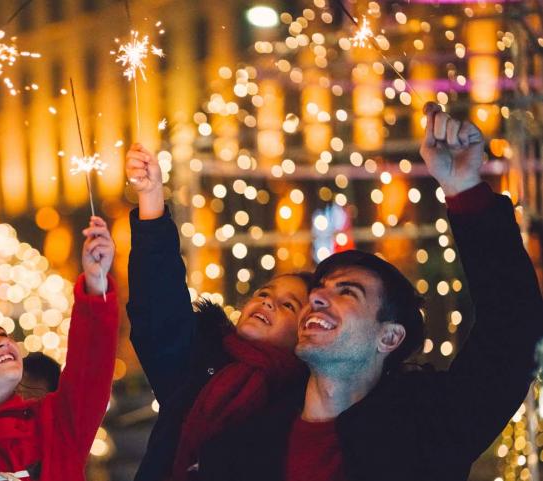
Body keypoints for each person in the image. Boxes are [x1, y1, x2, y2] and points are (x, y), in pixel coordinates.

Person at [189, 103, 543, 481]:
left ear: (388, 336)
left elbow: (512, 327)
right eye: (320, 290)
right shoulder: (241, 447)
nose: (317, 298)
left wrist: (464, 188)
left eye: (348, 292)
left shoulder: (426, 424)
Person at [124, 143, 313, 481]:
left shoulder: (304, 398)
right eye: (264, 293)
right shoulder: (198, 360)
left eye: (288, 305)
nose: (267, 302)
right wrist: (151, 198)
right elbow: (158, 303)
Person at [0, 216, 119, 481]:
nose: (1, 340)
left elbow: (90, 369)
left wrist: (96, 286)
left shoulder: (56, 422)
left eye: (1, 332)